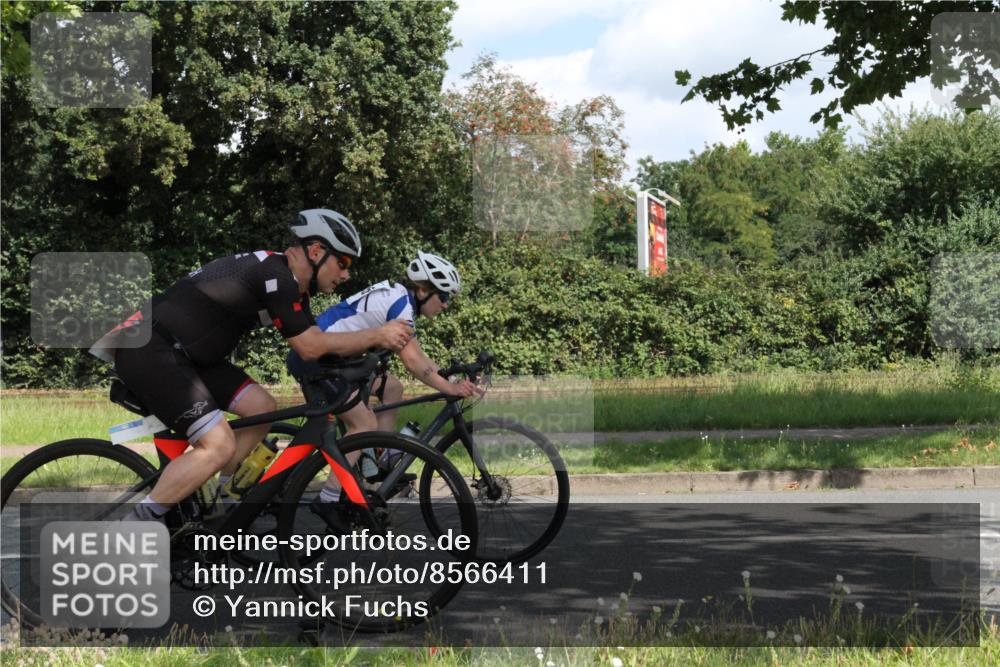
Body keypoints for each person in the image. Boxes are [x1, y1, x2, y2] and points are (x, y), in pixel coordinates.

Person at [96, 209, 413, 523]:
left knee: (261, 407)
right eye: (342, 263)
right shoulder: (274, 275)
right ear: (316, 252)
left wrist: (358, 366)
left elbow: (315, 348)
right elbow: (309, 345)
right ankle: (137, 525)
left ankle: (218, 503)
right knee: (217, 445)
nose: (346, 275)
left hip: (191, 356)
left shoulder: (292, 288)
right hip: (153, 349)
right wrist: (379, 334)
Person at [285, 251, 479, 524]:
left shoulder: (400, 299)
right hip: (317, 361)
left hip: (334, 363)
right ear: (423, 289)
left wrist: (452, 383)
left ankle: (376, 462)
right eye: (444, 296)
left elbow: (419, 357)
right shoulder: (400, 302)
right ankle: (327, 499)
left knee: (392, 388)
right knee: (362, 423)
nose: (446, 305)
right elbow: (412, 361)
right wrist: (449, 388)